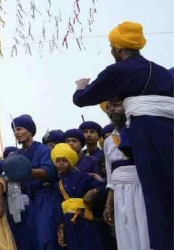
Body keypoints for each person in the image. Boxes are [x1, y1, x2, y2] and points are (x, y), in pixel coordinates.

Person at [72, 21, 173, 250]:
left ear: (117, 48)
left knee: (155, 197)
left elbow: (82, 99)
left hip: (147, 132)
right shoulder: (160, 71)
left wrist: (80, 86)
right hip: (169, 131)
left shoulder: (118, 71)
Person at [0, 115, 60, 250]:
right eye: (14, 131)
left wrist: (26, 170)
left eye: (19, 129)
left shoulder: (43, 150)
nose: (16, 133)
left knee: (44, 238)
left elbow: (48, 171)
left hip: (43, 198)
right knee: (25, 240)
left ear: (30, 131)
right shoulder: (17, 154)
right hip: (24, 200)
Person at [103, 98, 150, 249]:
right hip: (120, 194)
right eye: (109, 107)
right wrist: (108, 205)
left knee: (145, 230)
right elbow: (110, 177)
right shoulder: (108, 142)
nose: (112, 109)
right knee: (126, 233)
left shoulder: (141, 131)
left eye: (116, 105)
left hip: (142, 188)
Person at [51, 143, 104, 250]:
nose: (61, 163)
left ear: (71, 161)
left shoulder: (82, 176)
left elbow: (102, 186)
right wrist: (61, 227)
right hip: (68, 222)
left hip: (84, 218)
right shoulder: (58, 184)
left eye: (64, 160)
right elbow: (58, 205)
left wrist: (93, 191)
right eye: (58, 161)